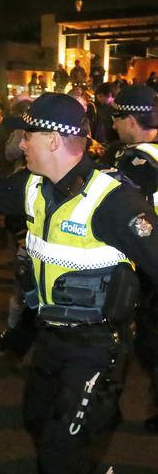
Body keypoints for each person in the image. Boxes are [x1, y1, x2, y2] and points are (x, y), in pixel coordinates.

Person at [0, 92, 158, 474]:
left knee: (59, 453)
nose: (21, 143)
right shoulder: (31, 186)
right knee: (34, 419)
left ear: (53, 141)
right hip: (50, 337)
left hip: (97, 347)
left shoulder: (114, 202)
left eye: (27, 135)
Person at [108, 85, 158, 433]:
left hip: (146, 263)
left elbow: (120, 213)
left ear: (129, 119)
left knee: (133, 337)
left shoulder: (136, 160)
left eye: (115, 118)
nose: (111, 125)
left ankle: (102, 406)